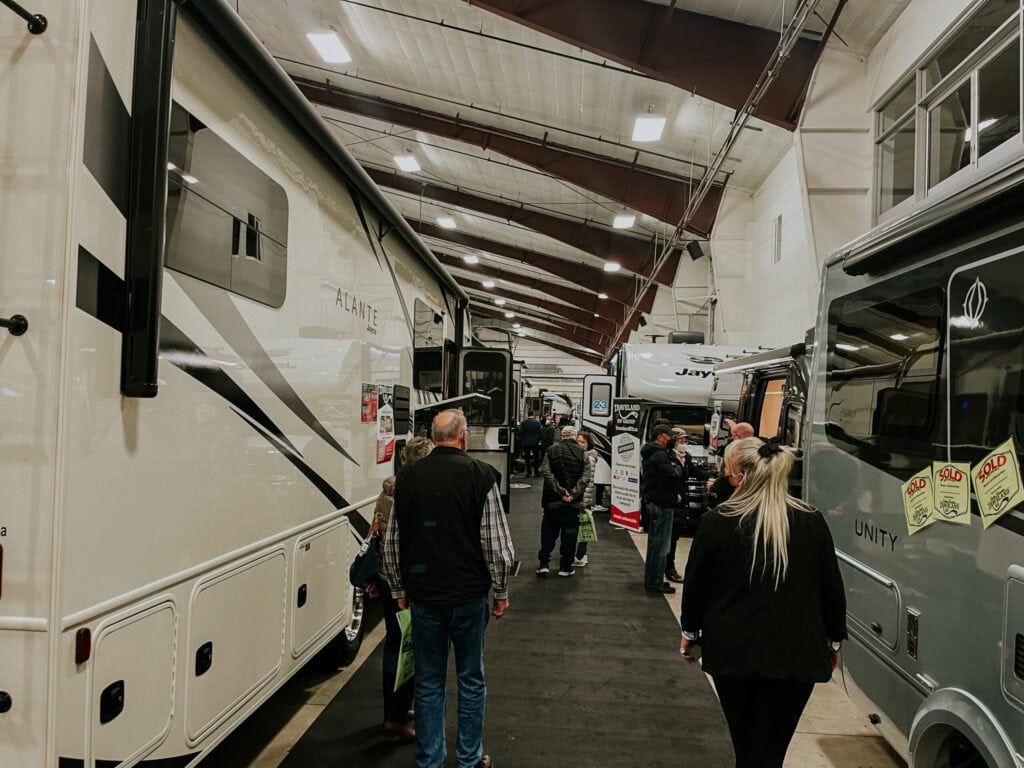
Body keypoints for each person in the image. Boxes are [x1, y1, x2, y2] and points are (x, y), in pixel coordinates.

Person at [679, 437, 847, 768]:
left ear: (740, 475)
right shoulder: (810, 521)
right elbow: (831, 588)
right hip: (797, 651)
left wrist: (691, 632)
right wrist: (833, 640)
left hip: (732, 648)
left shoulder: (718, 521)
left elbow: (697, 585)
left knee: (745, 743)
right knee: (771, 748)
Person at [383, 409, 515, 768]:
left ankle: (430, 760)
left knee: (428, 681)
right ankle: (469, 759)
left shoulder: (407, 477)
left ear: (436, 436)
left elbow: (393, 541)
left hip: (424, 596)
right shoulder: (481, 475)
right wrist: (501, 591)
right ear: (463, 437)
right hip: (468, 595)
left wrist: (398, 586)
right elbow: (496, 545)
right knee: (471, 679)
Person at [368, 436, 434, 741]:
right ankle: (394, 718)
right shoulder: (411, 492)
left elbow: (375, 533)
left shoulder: (387, 490)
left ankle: (397, 707)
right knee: (408, 646)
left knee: (397, 643)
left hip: (384, 576)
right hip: (404, 580)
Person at [537, 425, 591, 577]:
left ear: (562, 436)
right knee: (570, 535)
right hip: (573, 504)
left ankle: (544, 564)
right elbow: (585, 477)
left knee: (548, 534)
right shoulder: (583, 454)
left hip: (552, 501)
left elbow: (545, 472)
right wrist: (573, 494)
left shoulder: (551, 450)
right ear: (574, 437)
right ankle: (566, 567)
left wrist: (560, 492)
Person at [640, 424, 683, 594]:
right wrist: (678, 467)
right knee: (661, 546)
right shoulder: (660, 454)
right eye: (669, 436)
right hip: (663, 503)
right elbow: (672, 475)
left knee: (654, 544)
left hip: (653, 501)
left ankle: (652, 578)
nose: (672, 439)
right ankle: (655, 581)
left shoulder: (649, 453)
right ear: (660, 437)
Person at [706, 421, 756, 506]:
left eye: (732, 436)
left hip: (731, 498)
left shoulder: (734, 452)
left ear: (737, 436)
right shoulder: (758, 451)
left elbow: (725, 476)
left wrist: (713, 487)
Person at [664, 427, 690, 584]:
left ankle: (669, 566)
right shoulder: (667, 457)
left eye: (685, 441)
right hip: (672, 502)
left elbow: (694, 472)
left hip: (682, 503)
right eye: (680, 441)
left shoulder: (687, 457)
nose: (683, 444)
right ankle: (668, 567)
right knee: (669, 538)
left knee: (675, 536)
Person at [572, 431, 598, 568]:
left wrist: (583, 502)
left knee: (583, 529)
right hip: (579, 497)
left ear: (588, 444)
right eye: (578, 442)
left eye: (583, 442)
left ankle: (580, 555)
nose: (580, 444)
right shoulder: (581, 456)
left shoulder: (589, 458)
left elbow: (588, 482)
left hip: (583, 499)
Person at [519, 411, 543, 477]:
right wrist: (538, 441)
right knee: (536, 458)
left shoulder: (524, 422)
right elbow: (540, 433)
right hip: (535, 443)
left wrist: (523, 440)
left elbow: (521, 432)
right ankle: (536, 472)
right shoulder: (537, 423)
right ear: (533, 414)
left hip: (526, 442)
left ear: (528, 414)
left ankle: (528, 472)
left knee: (527, 458)